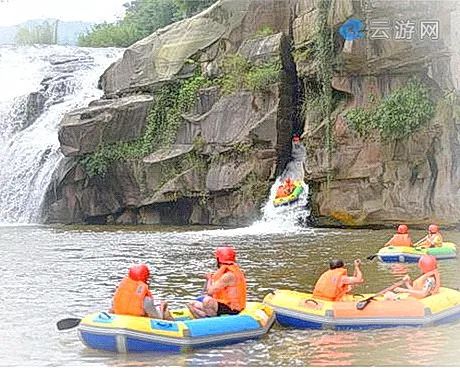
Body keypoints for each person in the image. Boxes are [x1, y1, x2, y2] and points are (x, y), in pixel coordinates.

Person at [188, 246, 247, 318]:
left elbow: (210, 292)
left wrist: (209, 279)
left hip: (232, 308)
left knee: (208, 302)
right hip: (224, 304)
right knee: (191, 304)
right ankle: (205, 322)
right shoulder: (228, 272)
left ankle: (212, 322)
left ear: (219, 259)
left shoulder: (228, 275)